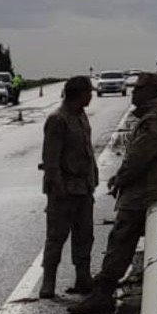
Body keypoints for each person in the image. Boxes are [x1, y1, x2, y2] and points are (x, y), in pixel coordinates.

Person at [70, 73, 157, 314]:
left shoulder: (154, 120)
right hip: (147, 188)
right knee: (121, 240)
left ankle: (103, 293)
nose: (133, 93)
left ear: (151, 91)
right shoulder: (154, 116)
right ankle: (104, 289)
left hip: (143, 192)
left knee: (120, 241)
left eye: (138, 88)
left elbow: (139, 158)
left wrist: (120, 179)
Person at [39, 76, 97, 299]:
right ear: (78, 94)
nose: (91, 96)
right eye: (88, 92)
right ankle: (48, 281)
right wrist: (58, 187)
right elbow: (51, 159)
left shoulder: (81, 116)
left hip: (84, 187)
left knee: (85, 235)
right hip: (63, 189)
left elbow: (87, 151)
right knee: (56, 236)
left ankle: (83, 277)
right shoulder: (58, 119)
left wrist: (93, 180)